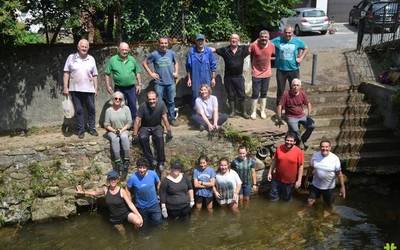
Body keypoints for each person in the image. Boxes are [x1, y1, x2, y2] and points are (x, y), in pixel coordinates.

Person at [75, 170, 143, 234]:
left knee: (138, 222)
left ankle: (135, 233)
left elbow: (130, 204)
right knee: (123, 234)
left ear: (117, 180)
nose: (113, 181)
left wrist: (139, 215)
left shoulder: (121, 191)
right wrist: (83, 192)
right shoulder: (105, 190)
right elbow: (95, 193)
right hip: (115, 218)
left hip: (125, 214)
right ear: (108, 180)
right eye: (111, 179)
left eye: (115, 179)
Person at [63, 39, 99, 139]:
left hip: (89, 89)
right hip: (75, 89)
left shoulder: (91, 59)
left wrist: (96, 88)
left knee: (91, 109)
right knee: (78, 110)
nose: (84, 48)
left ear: (88, 48)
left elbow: (95, 74)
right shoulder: (71, 57)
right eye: (82, 46)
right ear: (78, 47)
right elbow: (66, 72)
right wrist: (65, 87)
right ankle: (81, 130)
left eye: (86, 46)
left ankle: (92, 128)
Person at [132, 91, 172, 175]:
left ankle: (161, 162)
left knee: (159, 137)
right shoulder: (143, 106)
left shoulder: (161, 105)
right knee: (142, 138)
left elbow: (164, 118)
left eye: (153, 99)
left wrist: (169, 131)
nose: (152, 101)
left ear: (157, 98)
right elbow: (137, 119)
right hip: (145, 126)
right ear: (147, 99)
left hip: (157, 126)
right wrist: (135, 134)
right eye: (150, 99)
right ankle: (151, 160)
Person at [142, 37, 179, 126]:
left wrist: (176, 72)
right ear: (158, 44)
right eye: (162, 43)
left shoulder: (171, 53)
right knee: (159, 102)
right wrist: (151, 73)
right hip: (159, 83)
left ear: (168, 44)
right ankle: (160, 119)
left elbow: (176, 62)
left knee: (171, 101)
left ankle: (172, 118)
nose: (164, 45)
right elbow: (144, 63)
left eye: (165, 43)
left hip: (171, 82)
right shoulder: (154, 54)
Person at [214, 33, 250, 118]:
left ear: (238, 41)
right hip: (228, 77)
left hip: (239, 77)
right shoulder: (225, 50)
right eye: (232, 39)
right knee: (230, 94)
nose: (234, 40)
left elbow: (254, 46)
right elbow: (213, 50)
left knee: (242, 94)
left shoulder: (243, 49)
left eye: (235, 39)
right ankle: (232, 111)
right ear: (230, 40)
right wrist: (201, 47)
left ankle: (243, 112)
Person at [272, 25, 309, 105]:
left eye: (289, 33)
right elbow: (267, 43)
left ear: (292, 33)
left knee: (295, 88)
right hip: (281, 70)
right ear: (283, 33)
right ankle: (280, 106)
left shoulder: (297, 41)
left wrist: (301, 57)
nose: (287, 34)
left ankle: (293, 105)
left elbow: (306, 48)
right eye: (286, 32)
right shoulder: (278, 40)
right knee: (280, 89)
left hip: (294, 69)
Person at [105, 42, 142, 120]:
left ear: (128, 49)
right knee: (119, 106)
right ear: (119, 50)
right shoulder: (113, 60)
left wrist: (139, 84)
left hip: (131, 88)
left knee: (132, 105)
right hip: (119, 88)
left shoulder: (132, 59)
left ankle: (133, 124)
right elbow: (107, 74)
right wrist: (108, 86)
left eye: (126, 50)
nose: (125, 51)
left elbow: (137, 72)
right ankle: (120, 123)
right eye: (122, 50)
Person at [276, 78, 314, 149]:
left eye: (297, 85)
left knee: (311, 126)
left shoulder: (302, 93)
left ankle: (303, 139)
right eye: (294, 85)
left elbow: (308, 104)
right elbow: (280, 105)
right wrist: (279, 118)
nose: (295, 87)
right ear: (291, 86)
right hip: (291, 116)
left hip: (301, 115)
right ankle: (300, 143)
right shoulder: (286, 94)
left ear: (300, 87)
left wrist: (309, 114)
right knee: (296, 130)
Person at [307, 139, 346, 208]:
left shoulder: (335, 159)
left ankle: (327, 217)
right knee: (310, 202)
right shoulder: (315, 156)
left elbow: (339, 174)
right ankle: (308, 216)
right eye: (322, 146)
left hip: (329, 188)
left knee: (329, 206)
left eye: (327, 147)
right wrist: (307, 178)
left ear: (330, 148)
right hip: (315, 185)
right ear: (320, 147)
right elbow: (310, 168)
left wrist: (342, 187)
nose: (324, 148)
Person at [126, 157, 163, 226]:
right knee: (143, 226)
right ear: (137, 168)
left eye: (144, 168)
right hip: (141, 207)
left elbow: (158, 182)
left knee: (158, 222)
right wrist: (129, 200)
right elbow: (127, 189)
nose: (142, 170)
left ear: (147, 168)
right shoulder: (133, 178)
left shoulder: (153, 174)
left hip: (154, 205)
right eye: (140, 168)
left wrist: (159, 193)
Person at [267, 133, 304, 202]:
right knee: (273, 197)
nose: (289, 142)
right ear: (285, 140)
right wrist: (269, 173)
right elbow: (274, 161)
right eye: (287, 140)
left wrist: (299, 180)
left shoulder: (298, 152)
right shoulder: (279, 148)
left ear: (295, 142)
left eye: (291, 141)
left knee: (287, 199)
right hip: (276, 178)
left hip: (289, 181)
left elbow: (301, 167)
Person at [104, 91, 132, 179]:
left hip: (123, 129)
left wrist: (121, 130)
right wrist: (114, 131)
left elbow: (129, 122)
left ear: (122, 100)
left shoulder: (126, 108)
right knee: (115, 139)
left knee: (124, 137)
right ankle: (118, 161)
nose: (117, 100)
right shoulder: (109, 110)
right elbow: (106, 124)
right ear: (113, 99)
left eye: (120, 99)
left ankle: (127, 160)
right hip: (112, 130)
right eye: (116, 98)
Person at [249, 30, 275, 120]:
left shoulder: (272, 45)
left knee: (264, 92)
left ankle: (262, 110)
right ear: (259, 38)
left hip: (267, 73)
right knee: (255, 93)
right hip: (256, 73)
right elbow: (248, 50)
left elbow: (278, 52)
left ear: (268, 38)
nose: (264, 38)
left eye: (266, 37)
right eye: (262, 37)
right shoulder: (254, 45)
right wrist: (254, 42)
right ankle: (253, 111)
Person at [186, 34, 217, 105]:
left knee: (207, 94)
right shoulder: (191, 52)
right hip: (195, 77)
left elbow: (213, 66)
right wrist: (189, 79)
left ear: (204, 41)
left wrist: (213, 78)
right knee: (195, 94)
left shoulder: (208, 51)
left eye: (202, 40)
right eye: (198, 40)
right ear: (196, 41)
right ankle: (197, 112)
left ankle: (208, 112)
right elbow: (188, 67)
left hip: (207, 77)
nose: (200, 42)